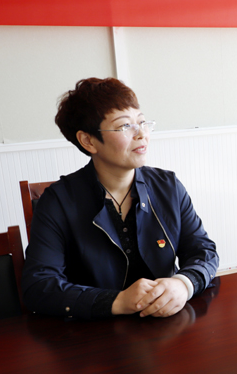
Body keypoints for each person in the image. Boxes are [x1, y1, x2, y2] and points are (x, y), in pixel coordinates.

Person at [23, 77, 219, 320]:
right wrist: (117, 301)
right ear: (88, 141)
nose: (142, 134)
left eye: (142, 122)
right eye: (125, 126)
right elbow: (39, 287)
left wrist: (183, 283)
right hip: (94, 333)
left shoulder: (167, 186)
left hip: (168, 323)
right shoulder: (58, 202)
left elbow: (204, 252)